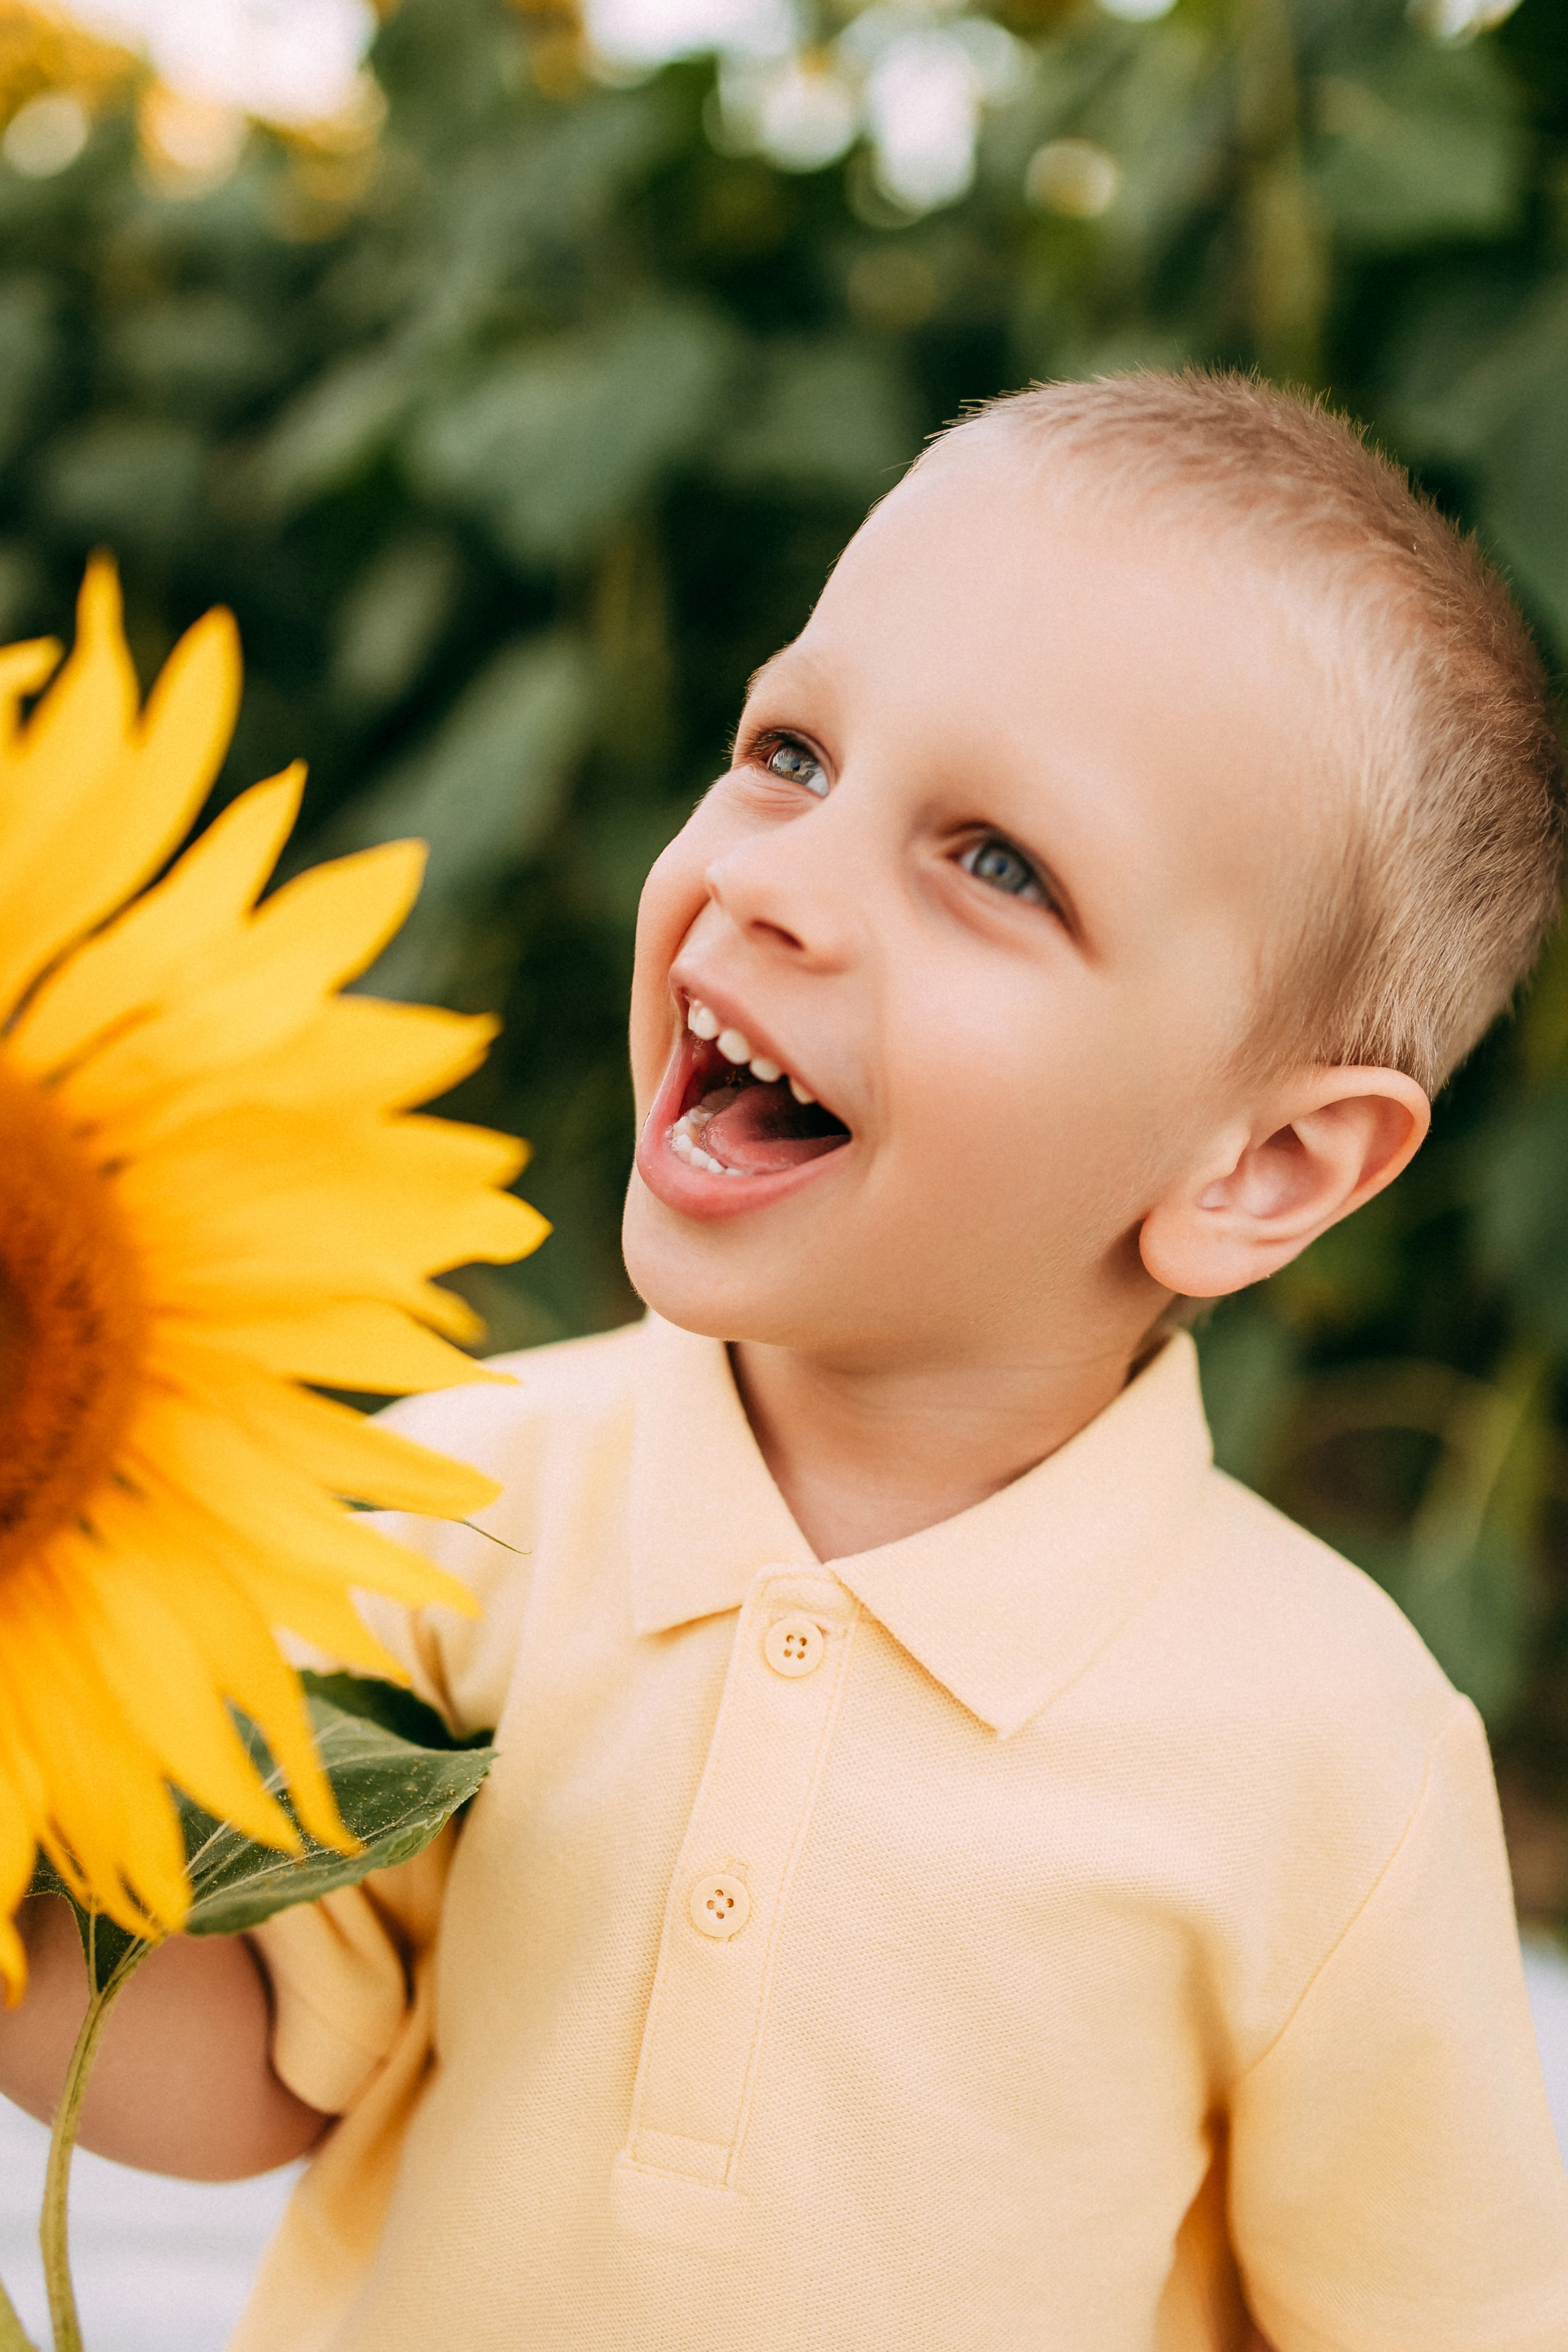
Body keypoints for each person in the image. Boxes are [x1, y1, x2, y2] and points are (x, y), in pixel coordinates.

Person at [4, 370, 1568, 2350]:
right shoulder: (452, 1496)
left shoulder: (1330, 1752)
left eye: (996, 861)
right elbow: (240, 2070)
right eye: (791, 752)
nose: (774, 880)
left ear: (1262, 1166)